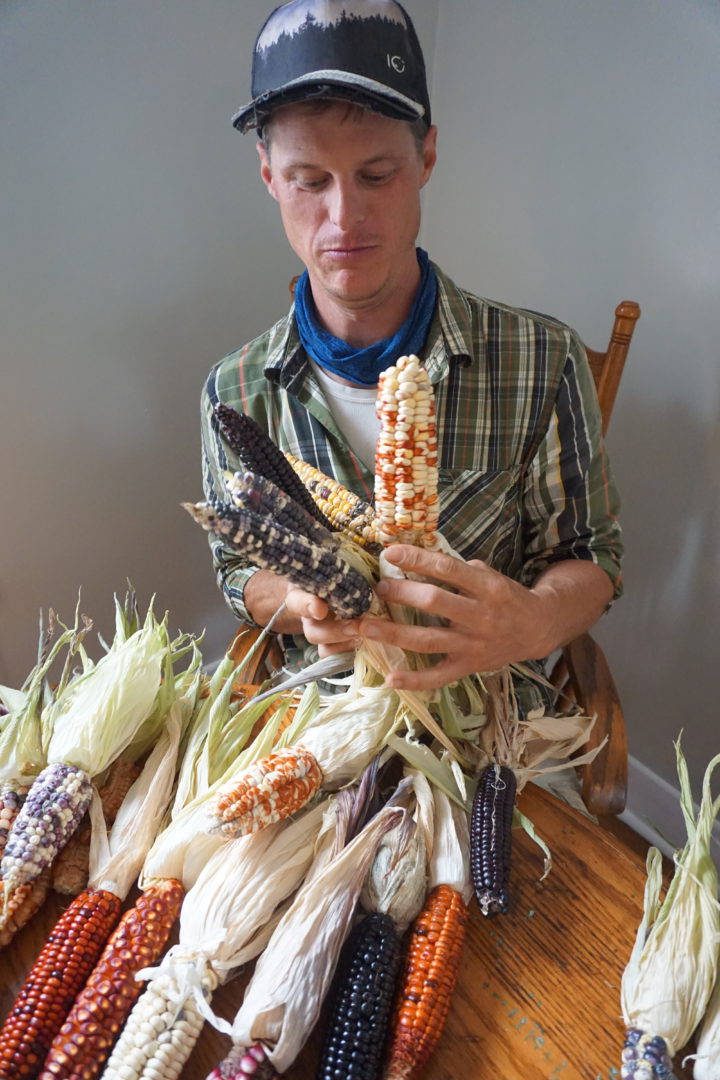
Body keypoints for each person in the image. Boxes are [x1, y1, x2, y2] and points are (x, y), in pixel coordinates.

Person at [201, 0, 622, 695]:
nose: (344, 217)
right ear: (269, 176)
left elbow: (591, 554)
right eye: (310, 180)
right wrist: (298, 601)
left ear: (426, 157)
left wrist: (537, 620)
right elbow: (238, 571)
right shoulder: (233, 390)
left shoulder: (543, 360)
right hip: (321, 717)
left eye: (376, 175)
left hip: (488, 716)